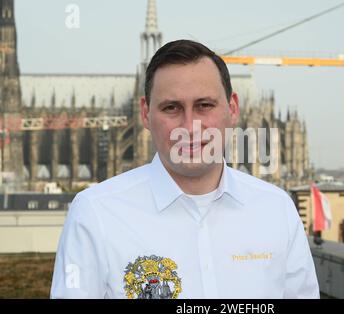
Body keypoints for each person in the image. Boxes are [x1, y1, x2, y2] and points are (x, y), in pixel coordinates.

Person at [50, 40, 320, 299]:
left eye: (205, 105)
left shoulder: (276, 209)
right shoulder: (95, 213)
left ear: (233, 109)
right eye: (172, 108)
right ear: (144, 114)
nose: (190, 126)